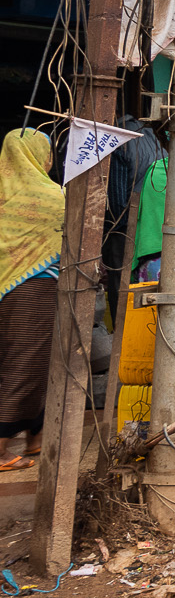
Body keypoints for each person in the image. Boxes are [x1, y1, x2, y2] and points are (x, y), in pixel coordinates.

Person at [0, 130, 63, 471]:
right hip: (33, 291)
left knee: (32, 362)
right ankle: (1, 449)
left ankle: (35, 438)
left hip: (4, 290)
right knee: (25, 366)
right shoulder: (53, 197)